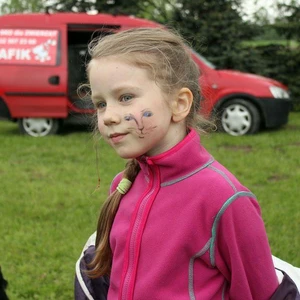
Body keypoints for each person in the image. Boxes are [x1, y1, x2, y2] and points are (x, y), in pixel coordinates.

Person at [74, 27, 299, 300]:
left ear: (179, 103)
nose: (108, 116)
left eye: (125, 97)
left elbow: (261, 293)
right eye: (100, 103)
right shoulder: (124, 185)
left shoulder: (225, 200)